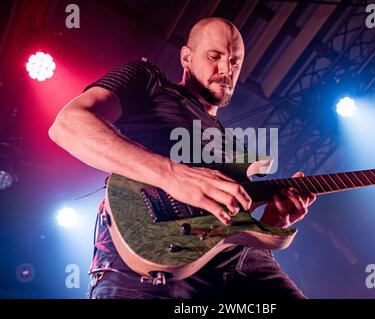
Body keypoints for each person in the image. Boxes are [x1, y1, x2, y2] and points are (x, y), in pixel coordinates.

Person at [49, 17, 316, 299]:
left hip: (242, 266)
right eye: (215, 56)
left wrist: (272, 223)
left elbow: (229, 227)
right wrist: (173, 174)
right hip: (150, 265)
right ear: (186, 57)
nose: (226, 69)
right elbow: (68, 125)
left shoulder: (234, 148)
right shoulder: (148, 80)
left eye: (235, 62)